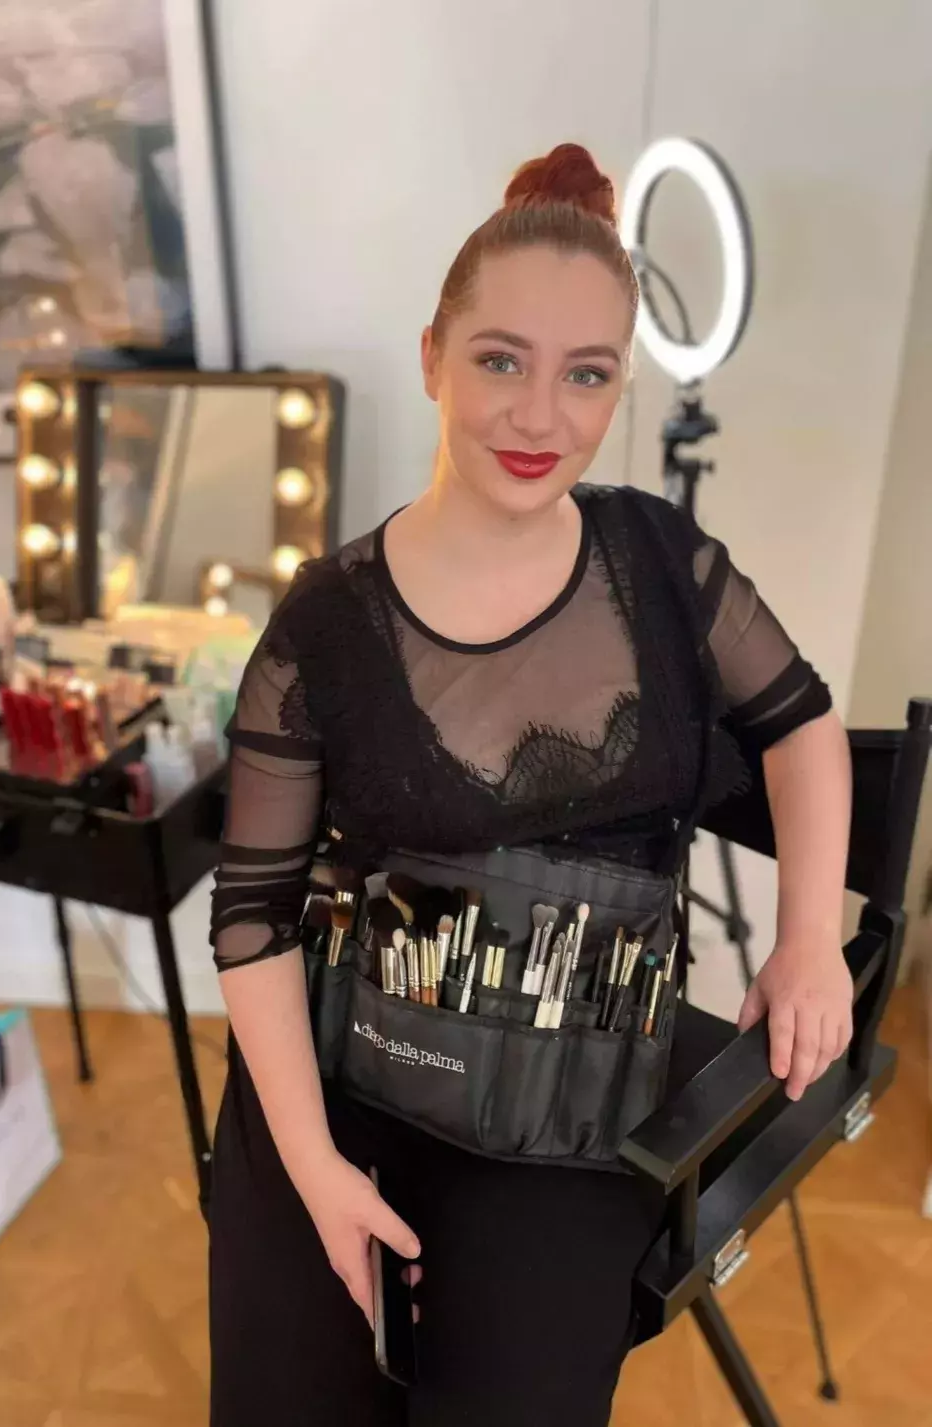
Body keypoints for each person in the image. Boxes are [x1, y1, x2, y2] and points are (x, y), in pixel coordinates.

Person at [206, 143, 854, 1427]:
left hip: (581, 1106)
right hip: (348, 1069)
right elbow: (251, 916)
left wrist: (809, 937)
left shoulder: (660, 558)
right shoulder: (324, 620)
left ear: (621, 385)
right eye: (502, 360)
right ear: (434, 354)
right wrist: (314, 1166)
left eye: (587, 374)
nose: (541, 418)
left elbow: (803, 722)